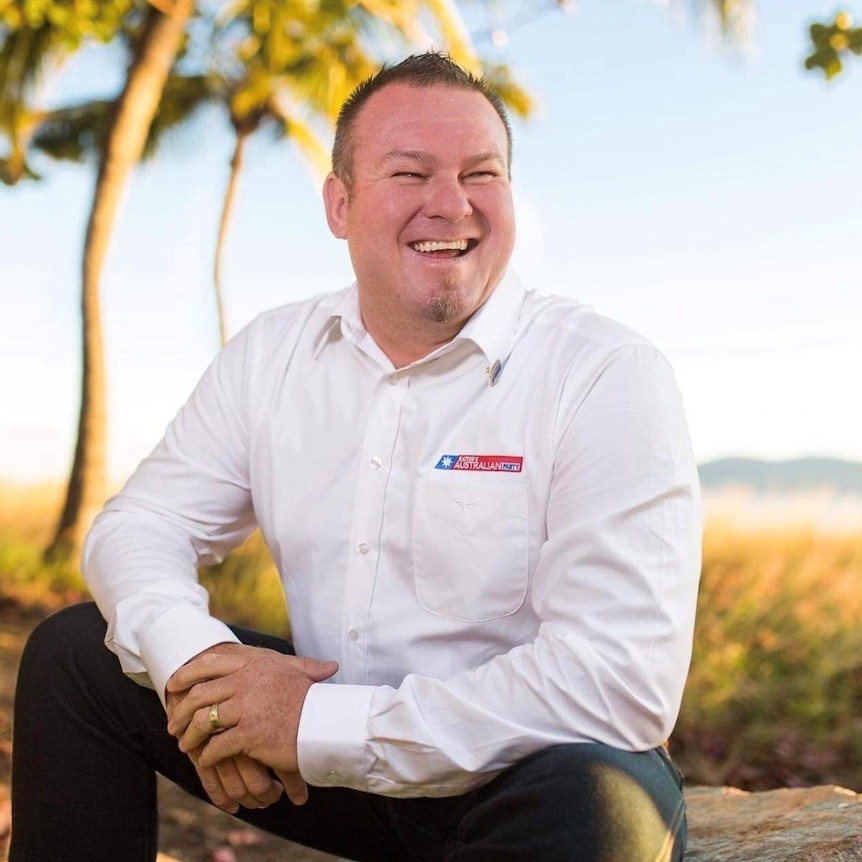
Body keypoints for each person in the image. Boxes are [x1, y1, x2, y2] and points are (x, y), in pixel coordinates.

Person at [11, 52, 702, 861]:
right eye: (410, 174)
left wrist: (309, 724)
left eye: (482, 173)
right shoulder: (274, 353)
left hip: (522, 775)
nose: (452, 205)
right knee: (71, 658)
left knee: (602, 806)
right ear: (340, 205)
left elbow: (616, 683)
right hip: (319, 771)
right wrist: (201, 671)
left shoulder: (604, 374)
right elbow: (141, 523)